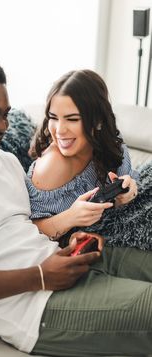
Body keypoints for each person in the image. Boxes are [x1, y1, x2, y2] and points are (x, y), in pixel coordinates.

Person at [0, 56, 152, 356]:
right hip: (35, 307)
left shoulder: (8, 162)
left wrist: (70, 236)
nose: (1, 126)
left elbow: (30, 228)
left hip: (63, 260)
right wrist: (40, 276)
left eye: (5, 114)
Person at [26, 70, 140, 243]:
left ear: (98, 121)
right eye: (53, 118)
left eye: (72, 119)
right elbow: (27, 231)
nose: (60, 130)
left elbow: (128, 188)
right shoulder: (52, 165)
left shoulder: (113, 147)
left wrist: (128, 191)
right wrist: (71, 217)